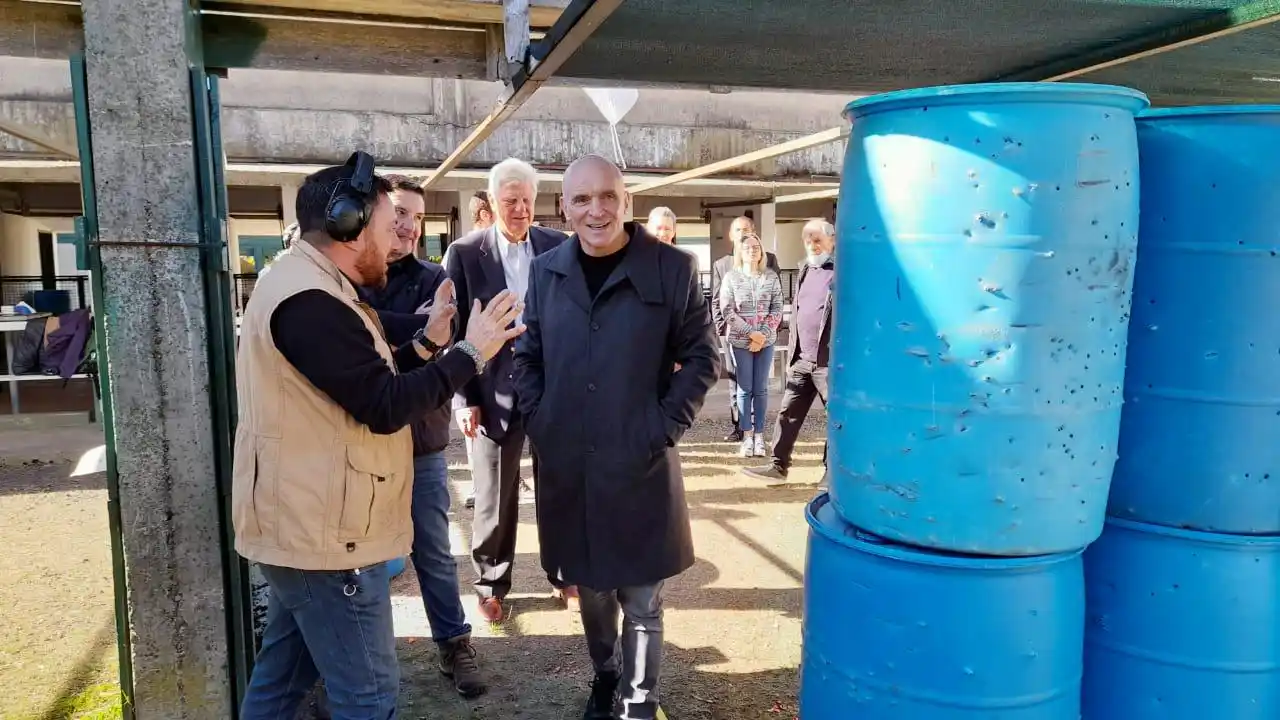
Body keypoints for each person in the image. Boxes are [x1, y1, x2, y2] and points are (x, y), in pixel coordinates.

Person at [232, 151, 524, 719]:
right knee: (368, 698)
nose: (397, 240)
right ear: (349, 225)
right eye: (389, 226)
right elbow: (385, 404)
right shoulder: (309, 301)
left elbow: (364, 366)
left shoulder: (311, 285)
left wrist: (429, 338)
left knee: (281, 684)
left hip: (306, 529)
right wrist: (470, 352)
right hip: (325, 538)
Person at [514, 154, 719, 720]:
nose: (596, 210)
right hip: (570, 464)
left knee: (642, 595)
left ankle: (638, 700)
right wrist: (541, 419)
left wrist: (663, 426)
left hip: (639, 461)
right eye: (582, 199)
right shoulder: (546, 270)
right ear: (565, 208)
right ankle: (605, 676)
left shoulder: (672, 267)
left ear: (626, 201)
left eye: (608, 196)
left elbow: (703, 358)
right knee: (592, 588)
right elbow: (527, 356)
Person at [357, 174, 487, 698]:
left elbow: (436, 345)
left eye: (416, 216)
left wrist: (406, 335)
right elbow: (363, 347)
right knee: (361, 558)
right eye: (399, 214)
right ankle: (363, 662)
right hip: (361, 444)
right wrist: (409, 331)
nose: (409, 225)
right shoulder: (348, 274)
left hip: (420, 443)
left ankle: (454, 644)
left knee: (433, 549)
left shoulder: (437, 278)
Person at [444, 157, 572, 622]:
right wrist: (463, 398)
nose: (519, 209)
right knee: (494, 492)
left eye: (526, 200)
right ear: (492, 201)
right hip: (491, 389)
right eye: (510, 200)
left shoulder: (559, 246)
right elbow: (454, 330)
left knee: (559, 486)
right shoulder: (464, 253)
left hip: (551, 390)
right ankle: (491, 582)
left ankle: (565, 574)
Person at [743, 218, 835, 486]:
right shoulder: (805, 269)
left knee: (835, 421)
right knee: (788, 414)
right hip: (801, 359)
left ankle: (832, 473)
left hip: (828, 362)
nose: (813, 245)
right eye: (808, 240)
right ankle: (778, 465)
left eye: (817, 240)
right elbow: (797, 313)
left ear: (832, 241)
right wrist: (793, 353)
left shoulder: (841, 272)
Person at [710, 216, 780, 443]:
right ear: (732, 235)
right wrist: (723, 329)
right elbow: (718, 302)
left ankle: (757, 430)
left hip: (764, 335)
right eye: (739, 230)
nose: (743, 233)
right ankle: (740, 427)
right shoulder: (722, 265)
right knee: (737, 382)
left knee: (759, 384)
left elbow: (776, 301)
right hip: (733, 333)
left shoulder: (769, 261)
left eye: (747, 229)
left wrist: (762, 334)